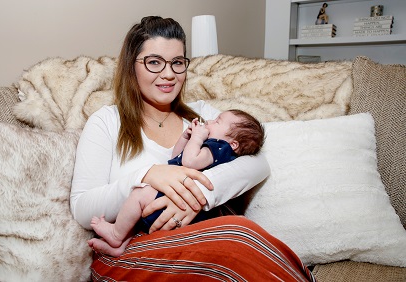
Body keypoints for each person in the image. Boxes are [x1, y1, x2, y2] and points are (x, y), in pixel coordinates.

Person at [71, 16, 315, 281]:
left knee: (238, 234)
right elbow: (83, 207)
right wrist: (147, 175)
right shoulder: (106, 121)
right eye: (154, 62)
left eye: (177, 62)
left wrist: (198, 193)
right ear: (132, 66)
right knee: (235, 238)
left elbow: (258, 162)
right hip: (128, 250)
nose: (168, 74)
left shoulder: (203, 117)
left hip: (199, 238)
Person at [87, 110, 265, 256]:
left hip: (180, 204)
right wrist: (186, 138)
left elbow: (189, 162)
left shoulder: (219, 149)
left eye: (217, 122)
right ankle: (121, 245)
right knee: (138, 213)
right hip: (174, 199)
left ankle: (116, 234)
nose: (210, 121)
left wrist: (197, 137)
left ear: (233, 144)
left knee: (139, 193)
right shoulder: (210, 146)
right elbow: (176, 157)